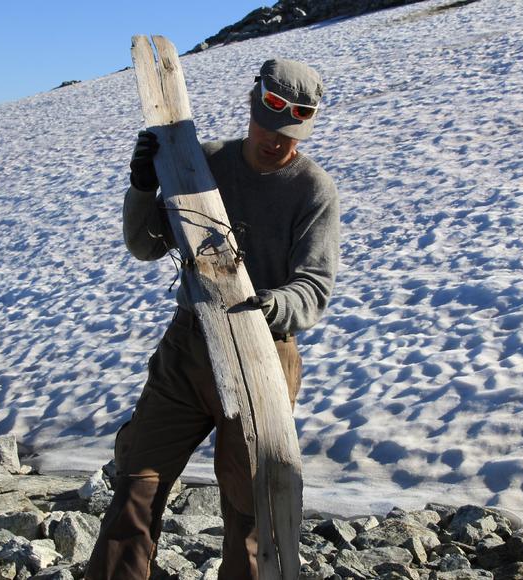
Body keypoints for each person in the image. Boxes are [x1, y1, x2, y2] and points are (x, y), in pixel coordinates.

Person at [86, 58, 340, 580]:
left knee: (249, 510)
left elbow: (314, 288)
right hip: (189, 348)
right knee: (137, 484)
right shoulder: (203, 164)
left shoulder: (313, 190)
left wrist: (272, 305)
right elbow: (145, 245)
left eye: (290, 132)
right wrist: (141, 187)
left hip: (263, 357)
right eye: (269, 125)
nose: (276, 140)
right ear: (253, 107)